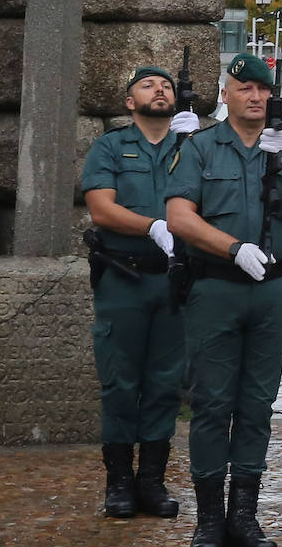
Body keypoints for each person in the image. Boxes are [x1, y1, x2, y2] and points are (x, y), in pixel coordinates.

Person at [167, 53, 282, 547]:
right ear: (226, 94)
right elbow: (179, 216)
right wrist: (232, 248)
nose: (255, 98)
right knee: (213, 404)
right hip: (216, 286)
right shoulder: (201, 147)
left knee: (258, 406)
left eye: (262, 90)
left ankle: (245, 516)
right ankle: (210, 519)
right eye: (245, 89)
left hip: (274, 290)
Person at [81, 66, 200, 520]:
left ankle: (151, 480)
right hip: (124, 278)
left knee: (165, 383)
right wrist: (153, 226)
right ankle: (119, 483)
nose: (160, 90)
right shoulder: (111, 146)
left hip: (174, 279)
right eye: (148, 85)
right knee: (120, 381)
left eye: (166, 85)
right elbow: (101, 208)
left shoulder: (192, 145)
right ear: (130, 102)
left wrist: (196, 150)